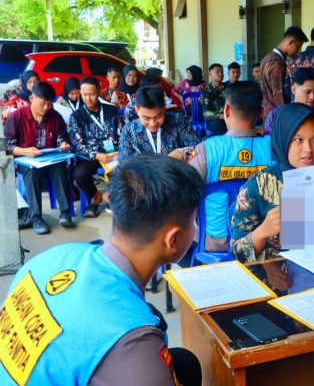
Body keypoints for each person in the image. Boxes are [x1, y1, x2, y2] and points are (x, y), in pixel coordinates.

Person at [0, 154, 203, 385]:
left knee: (183, 363)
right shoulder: (132, 336)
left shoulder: (51, 258)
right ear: (173, 239)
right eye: (194, 221)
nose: (196, 229)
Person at [230, 101, 314, 292]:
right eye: (298, 140)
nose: (308, 149)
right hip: (274, 289)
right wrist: (263, 232)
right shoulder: (258, 186)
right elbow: (237, 254)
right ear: (283, 138)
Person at [170, 81, 273, 252]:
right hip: (260, 241)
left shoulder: (206, 150)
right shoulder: (272, 148)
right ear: (261, 113)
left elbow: (184, 195)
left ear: (226, 110)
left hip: (215, 242)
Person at [4, 81, 74, 233]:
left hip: (49, 158)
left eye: (49, 104)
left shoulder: (54, 116)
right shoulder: (17, 116)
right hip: (26, 160)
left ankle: (65, 213)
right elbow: (8, 145)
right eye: (43, 103)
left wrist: (63, 144)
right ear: (31, 99)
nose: (46, 108)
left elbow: (62, 136)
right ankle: (36, 218)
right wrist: (25, 151)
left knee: (60, 167)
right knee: (32, 172)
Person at [68, 77, 123, 218]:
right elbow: (77, 144)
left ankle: (112, 197)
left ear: (98, 92)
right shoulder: (76, 116)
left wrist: (119, 151)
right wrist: (97, 155)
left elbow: (122, 133)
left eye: (92, 94)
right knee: (79, 174)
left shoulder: (112, 110)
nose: (88, 98)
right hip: (91, 155)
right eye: (84, 94)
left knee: (120, 168)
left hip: (113, 152)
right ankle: (95, 196)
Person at [119, 86, 198, 161]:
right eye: (146, 118)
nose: (153, 123)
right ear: (137, 110)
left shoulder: (178, 121)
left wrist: (182, 153)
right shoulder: (128, 131)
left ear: (164, 108)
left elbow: (197, 150)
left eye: (158, 117)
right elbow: (125, 163)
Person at [259, 26, 309, 116]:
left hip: (267, 112)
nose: (297, 51)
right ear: (291, 42)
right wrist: (285, 116)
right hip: (276, 115)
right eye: (297, 47)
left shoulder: (267, 57)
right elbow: (279, 95)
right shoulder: (277, 62)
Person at [263, 67, 314, 135]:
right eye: (307, 92)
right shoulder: (276, 115)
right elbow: (267, 140)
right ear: (294, 89)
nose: (312, 97)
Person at [202, 63, 227, 135]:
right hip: (214, 119)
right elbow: (206, 112)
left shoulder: (227, 87)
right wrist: (220, 116)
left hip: (227, 116)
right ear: (210, 74)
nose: (220, 74)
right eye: (217, 72)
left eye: (222, 72)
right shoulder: (207, 90)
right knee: (220, 127)